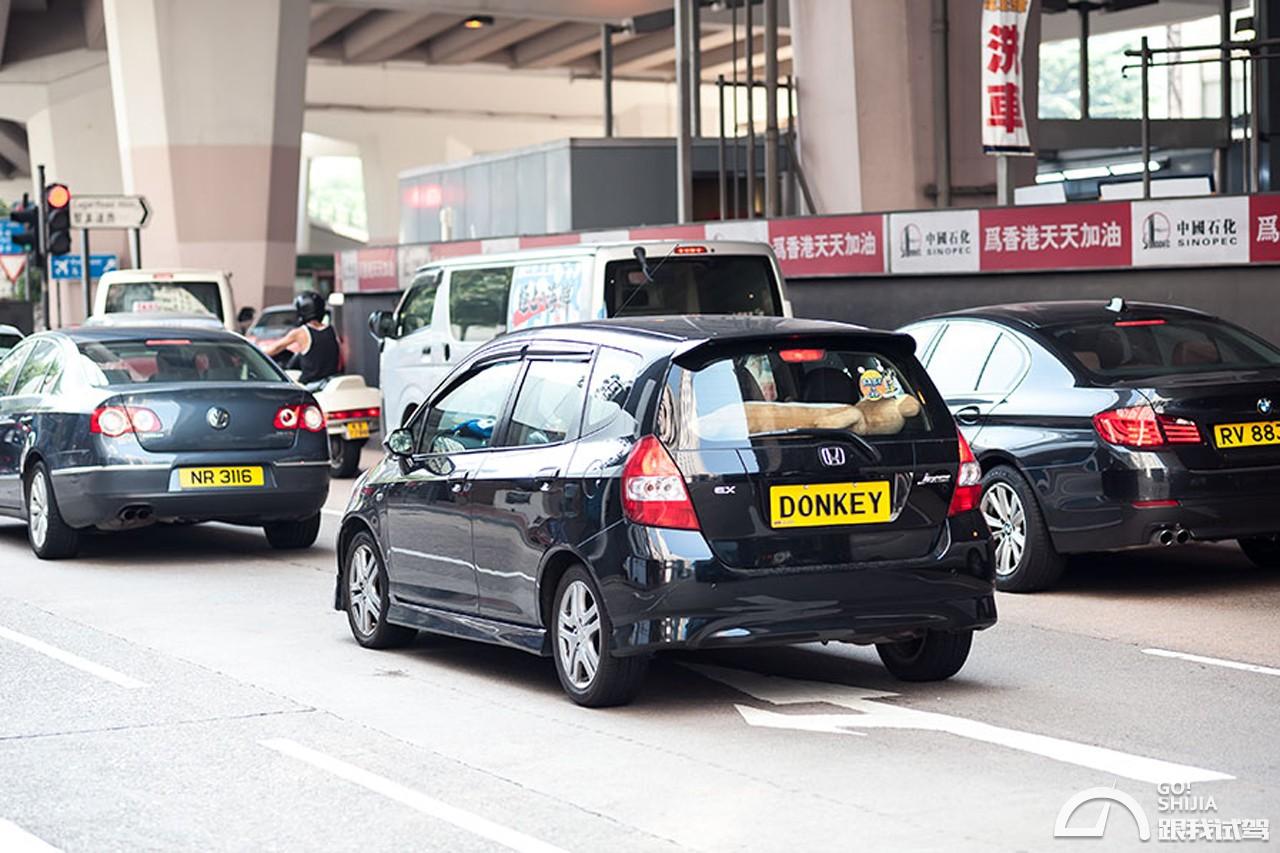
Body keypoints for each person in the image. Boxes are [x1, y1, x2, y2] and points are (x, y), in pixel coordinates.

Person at [258, 291, 340, 385]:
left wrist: (253, 354)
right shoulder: (332, 330)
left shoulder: (300, 332)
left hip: (312, 384)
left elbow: (274, 349)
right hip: (330, 382)